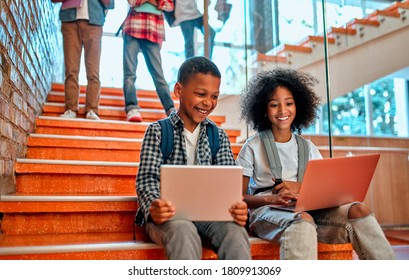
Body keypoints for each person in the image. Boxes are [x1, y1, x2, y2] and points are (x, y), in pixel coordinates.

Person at [236, 68, 396, 260]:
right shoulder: (252, 146)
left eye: (289, 103)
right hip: (267, 211)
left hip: (309, 210)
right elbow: (238, 197)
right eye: (274, 105)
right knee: (302, 221)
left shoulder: (308, 147)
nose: (282, 110)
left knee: (358, 209)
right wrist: (270, 199)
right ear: (263, 109)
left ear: (298, 106)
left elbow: (324, 191)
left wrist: (300, 188)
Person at [135, 56, 251, 260]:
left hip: (208, 216)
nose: (208, 102)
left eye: (214, 96)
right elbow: (146, 180)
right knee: (183, 231)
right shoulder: (158, 132)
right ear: (179, 91)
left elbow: (226, 188)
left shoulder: (219, 136)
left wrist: (237, 207)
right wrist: (154, 206)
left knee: (235, 233)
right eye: (201, 94)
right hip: (168, 217)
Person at [53, 0, 115, 120]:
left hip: (94, 21)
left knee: (93, 70)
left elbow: (110, 3)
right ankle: (71, 108)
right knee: (71, 69)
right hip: (69, 20)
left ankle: (92, 109)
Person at [122, 0, 176, 122]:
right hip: (133, 27)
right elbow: (132, 2)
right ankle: (132, 109)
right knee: (129, 73)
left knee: (158, 75)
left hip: (154, 30)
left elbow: (169, 5)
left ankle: (171, 109)